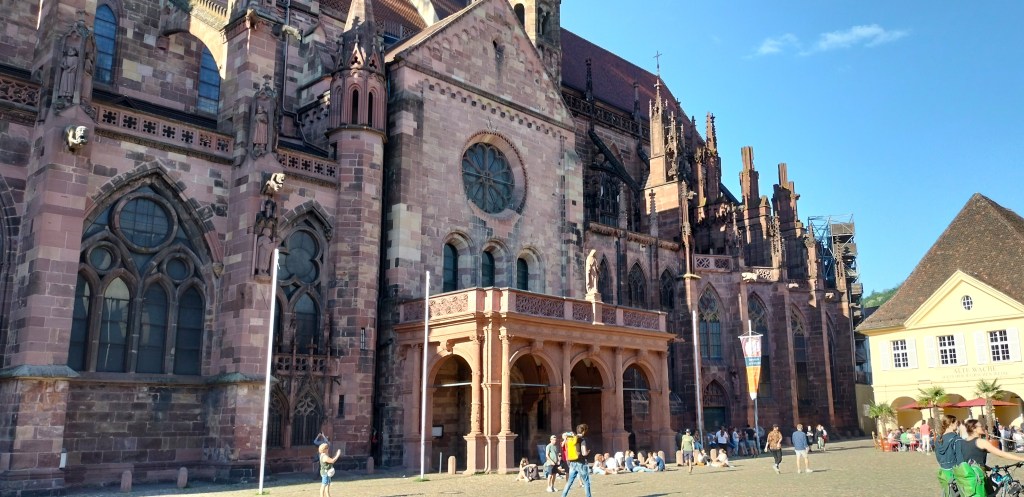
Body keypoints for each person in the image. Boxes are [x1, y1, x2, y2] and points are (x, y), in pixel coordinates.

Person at [963, 419, 1024, 494]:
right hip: (978, 478)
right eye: (980, 426)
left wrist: (986, 467)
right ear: (973, 429)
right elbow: (1000, 454)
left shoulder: (964, 441)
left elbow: (971, 458)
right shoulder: (981, 442)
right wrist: (1021, 458)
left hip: (968, 477)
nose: (983, 428)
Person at [561, 424, 591, 497]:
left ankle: (563, 496)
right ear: (583, 431)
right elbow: (584, 453)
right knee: (586, 482)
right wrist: (588, 452)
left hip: (572, 462)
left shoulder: (571, 438)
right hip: (581, 463)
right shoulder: (582, 439)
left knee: (569, 482)